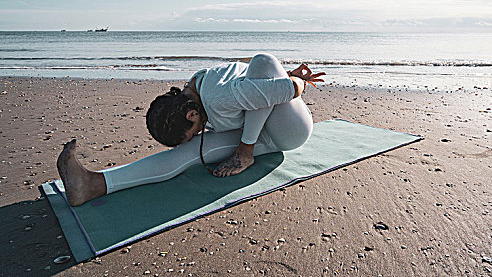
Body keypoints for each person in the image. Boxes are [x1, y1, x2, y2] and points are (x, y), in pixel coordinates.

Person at [57, 53, 325, 206]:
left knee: (264, 61)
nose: (199, 135)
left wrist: (294, 79)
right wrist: (273, 85)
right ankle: (92, 184)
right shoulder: (194, 86)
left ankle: (247, 151)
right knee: (187, 154)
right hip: (253, 120)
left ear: (191, 113)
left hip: (289, 129)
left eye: (195, 131)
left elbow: (291, 89)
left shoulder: (219, 98)